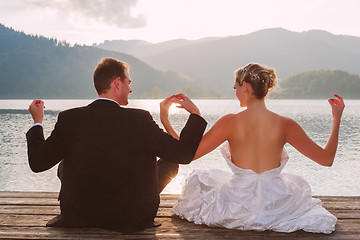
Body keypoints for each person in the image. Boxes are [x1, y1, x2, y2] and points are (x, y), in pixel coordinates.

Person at [160, 63, 345, 234]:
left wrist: (166, 121)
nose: (236, 93)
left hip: (238, 200)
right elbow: (326, 159)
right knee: (296, 186)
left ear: (246, 86)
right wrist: (336, 119)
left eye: (236, 88)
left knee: (201, 180)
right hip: (276, 202)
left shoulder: (229, 122)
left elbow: (188, 155)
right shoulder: (286, 125)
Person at [26, 57, 207, 231]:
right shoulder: (140, 120)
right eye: (129, 82)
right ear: (117, 83)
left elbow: (37, 163)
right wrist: (195, 114)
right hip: (131, 216)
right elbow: (182, 154)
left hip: (79, 215)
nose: (130, 89)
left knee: (65, 163)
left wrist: (37, 121)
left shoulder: (69, 118)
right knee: (169, 160)